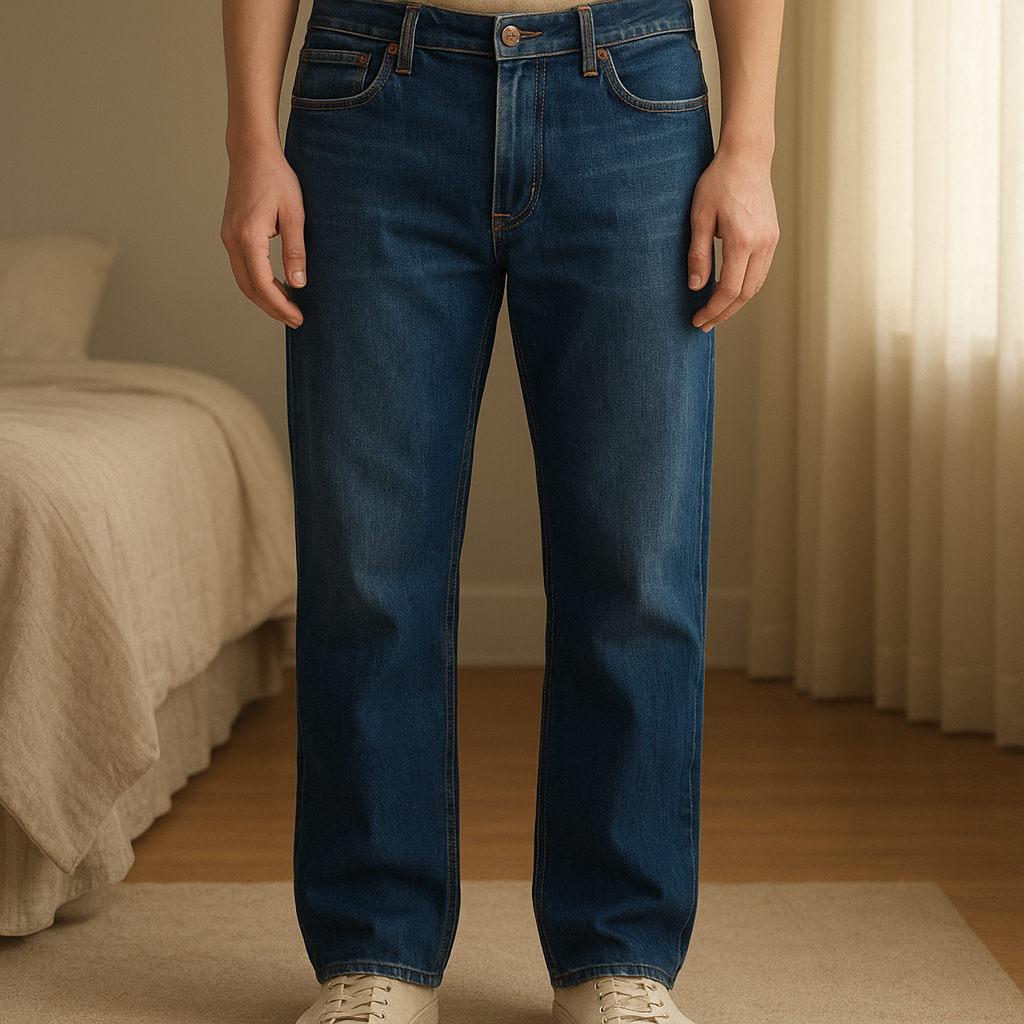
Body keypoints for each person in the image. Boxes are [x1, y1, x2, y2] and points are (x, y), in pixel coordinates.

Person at [221, 0, 782, 1020]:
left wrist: (747, 147)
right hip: (369, 90)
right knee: (367, 565)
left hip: (631, 96)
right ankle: (374, 954)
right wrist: (251, 143)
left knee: (637, 566)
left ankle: (619, 956)